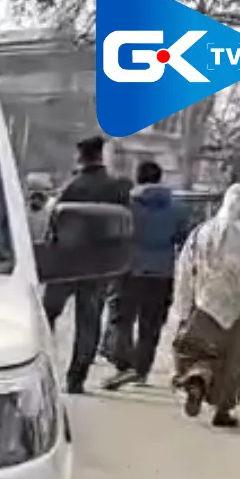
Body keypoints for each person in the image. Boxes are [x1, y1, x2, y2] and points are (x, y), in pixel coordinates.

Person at [171, 183, 240, 429]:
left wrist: (183, 306)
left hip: (205, 303)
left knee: (196, 349)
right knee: (235, 359)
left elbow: (186, 269)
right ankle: (223, 409)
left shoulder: (204, 230)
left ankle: (198, 377)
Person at [43, 136, 131, 393]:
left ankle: (42, 366)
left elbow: (53, 225)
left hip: (66, 264)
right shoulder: (116, 189)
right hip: (99, 266)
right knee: (89, 322)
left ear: (81, 157)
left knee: (46, 315)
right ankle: (76, 379)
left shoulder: (73, 187)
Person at [103, 161, 187, 390]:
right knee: (151, 324)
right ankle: (141, 370)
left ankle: (123, 363)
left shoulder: (127, 207)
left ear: (137, 178)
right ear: (160, 178)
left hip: (128, 269)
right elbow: (182, 239)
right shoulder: (177, 208)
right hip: (161, 272)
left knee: (121, 319)